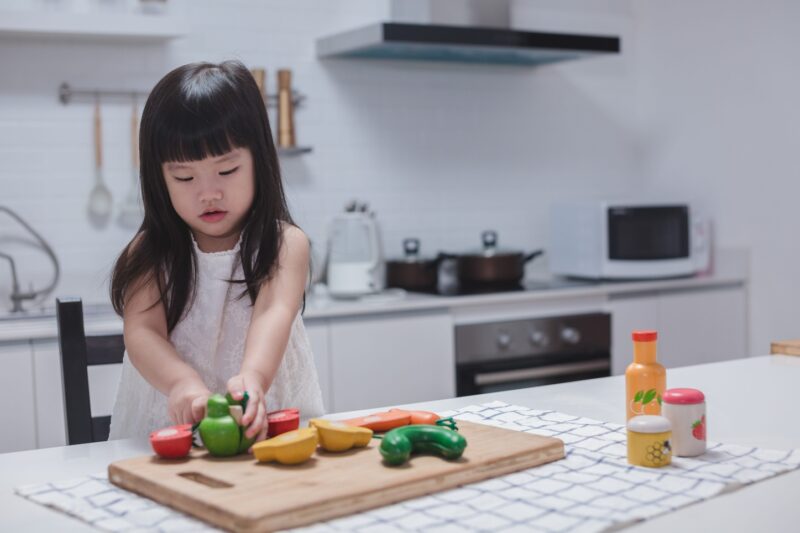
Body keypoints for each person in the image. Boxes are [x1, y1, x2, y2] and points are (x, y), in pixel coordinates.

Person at [107, 60, 324, 442]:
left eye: (227, 171)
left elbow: (274, 311)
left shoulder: (284, 245)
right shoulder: (151, 253)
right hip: (167, 430)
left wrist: (253, 378)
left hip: (266, 420)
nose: (208, 192)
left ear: (260, 161)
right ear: (159, 179)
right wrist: (181, 383)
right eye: (184, 177)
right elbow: (142, 331)